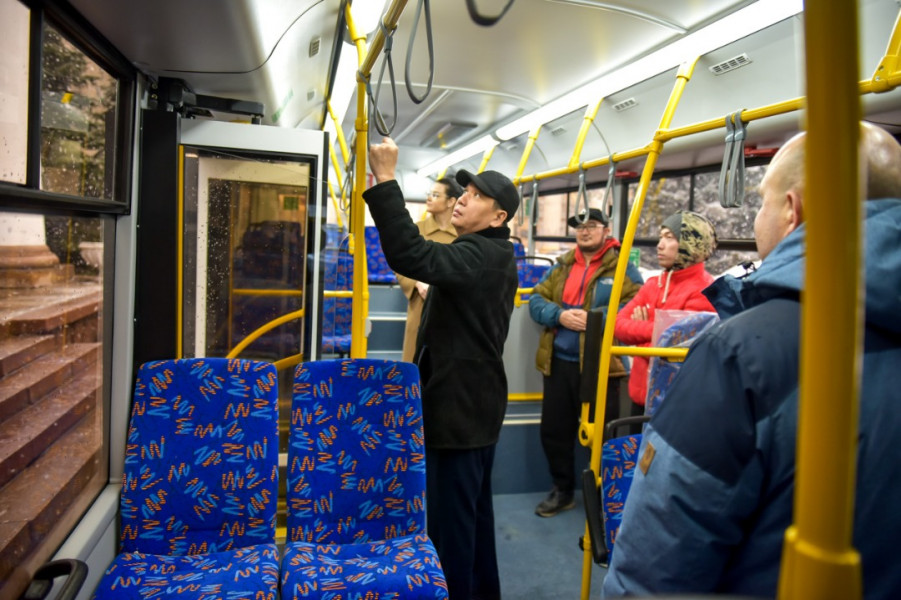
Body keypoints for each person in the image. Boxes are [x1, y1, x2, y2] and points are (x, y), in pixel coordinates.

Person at [602, 122, 901, 599]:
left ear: (791, 210)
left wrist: (648, 322)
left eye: (762, 202)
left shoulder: (739, 352)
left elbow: (659, 562)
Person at [364, 137, 519, 600]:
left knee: (453, 531)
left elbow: (411, 256)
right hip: (472, 407)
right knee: (473, 521)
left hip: (461, 411)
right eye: (464, 191)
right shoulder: (484, 252)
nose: (463, 198)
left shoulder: (480, 255)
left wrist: (385, 178)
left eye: (476, 196)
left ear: (498, 218)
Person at [529, 207, 643, 517]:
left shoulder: (622, 267)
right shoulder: (563, 265)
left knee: (603, 433)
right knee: (554, 431)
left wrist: (594, 320)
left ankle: (606, 496)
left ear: (607, 230)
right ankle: (562, 490)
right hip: (559, 362)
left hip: (601, 364)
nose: (585, 231)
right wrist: (560, 315)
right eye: (580, 226)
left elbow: (635, 305)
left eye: (592, 225)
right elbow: (537, 299)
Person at [613, 210, 717, 409]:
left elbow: (675, 351)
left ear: (691, 244)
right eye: (661, 237)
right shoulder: (653, 284)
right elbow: (617, 326)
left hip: (674, 403)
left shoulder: (704, 290)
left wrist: (639, 338)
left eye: (669, 238)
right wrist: (658, 332)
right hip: (640, 397)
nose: (660, 245)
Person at [395, 177, 462, 362]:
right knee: (415, 358)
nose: (429, 198)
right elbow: (401, 264)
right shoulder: (417, 230)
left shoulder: (463, 234)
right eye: (429, 194)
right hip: (420, 304)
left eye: (436, 195)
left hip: (452, 307)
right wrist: (417, 283)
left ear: (451, 201)